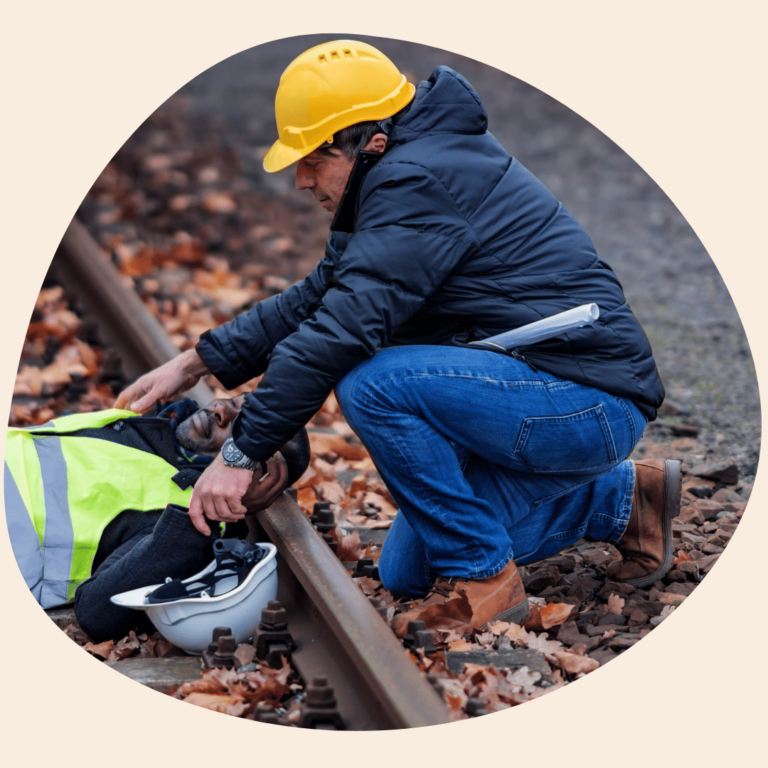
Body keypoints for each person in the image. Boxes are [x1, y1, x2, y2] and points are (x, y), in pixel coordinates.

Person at [115, 40, 678, 633]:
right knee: (408, 570)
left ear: (371, 141)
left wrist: (241, 453)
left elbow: (342, 330)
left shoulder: (418, 183)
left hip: (586, 398)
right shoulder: (392, 180)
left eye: (314, 158)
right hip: (534, 388)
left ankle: (485, 578)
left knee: (375, 382)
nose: (302, 180)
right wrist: (197, 360)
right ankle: (623, 501)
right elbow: (319, 296)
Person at [5, 396, 309, 639]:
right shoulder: (151, 424)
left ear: (255, 479)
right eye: (237, 402)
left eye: (241, 433)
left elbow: (97, 613)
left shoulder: (179, 523)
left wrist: (206, 512)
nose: (220, 411)